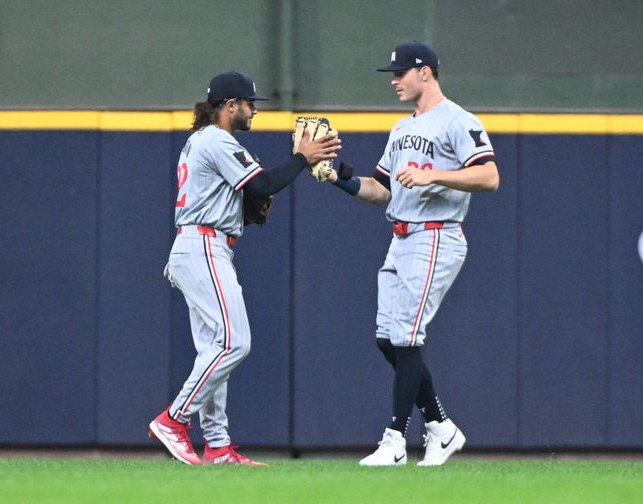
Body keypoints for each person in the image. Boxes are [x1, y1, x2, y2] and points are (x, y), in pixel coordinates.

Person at [149, 71, 341, 465]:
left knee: (212, 350)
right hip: (203, 246)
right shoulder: (217, 139)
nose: (254, 110)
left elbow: (250, 194)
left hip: (201, 244)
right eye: (250, 103)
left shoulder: (204, 141)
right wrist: (302, 158)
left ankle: (217, 446)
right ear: (229, 105)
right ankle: (174, 420)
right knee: (234, 343)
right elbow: (262, 185)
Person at [327, 42, 499, 466]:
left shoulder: (458, 120)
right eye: (393, 72)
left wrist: (433, 175)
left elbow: (489, 175)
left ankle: (395, 440)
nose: (394, 80)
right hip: (401, 236)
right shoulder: (402, 129)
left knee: (406, 337)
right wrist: (337, 176)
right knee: (388, 340)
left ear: (426, 72)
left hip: (437, 235)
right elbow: (381, 189)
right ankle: (441, 427)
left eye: (401, 72)